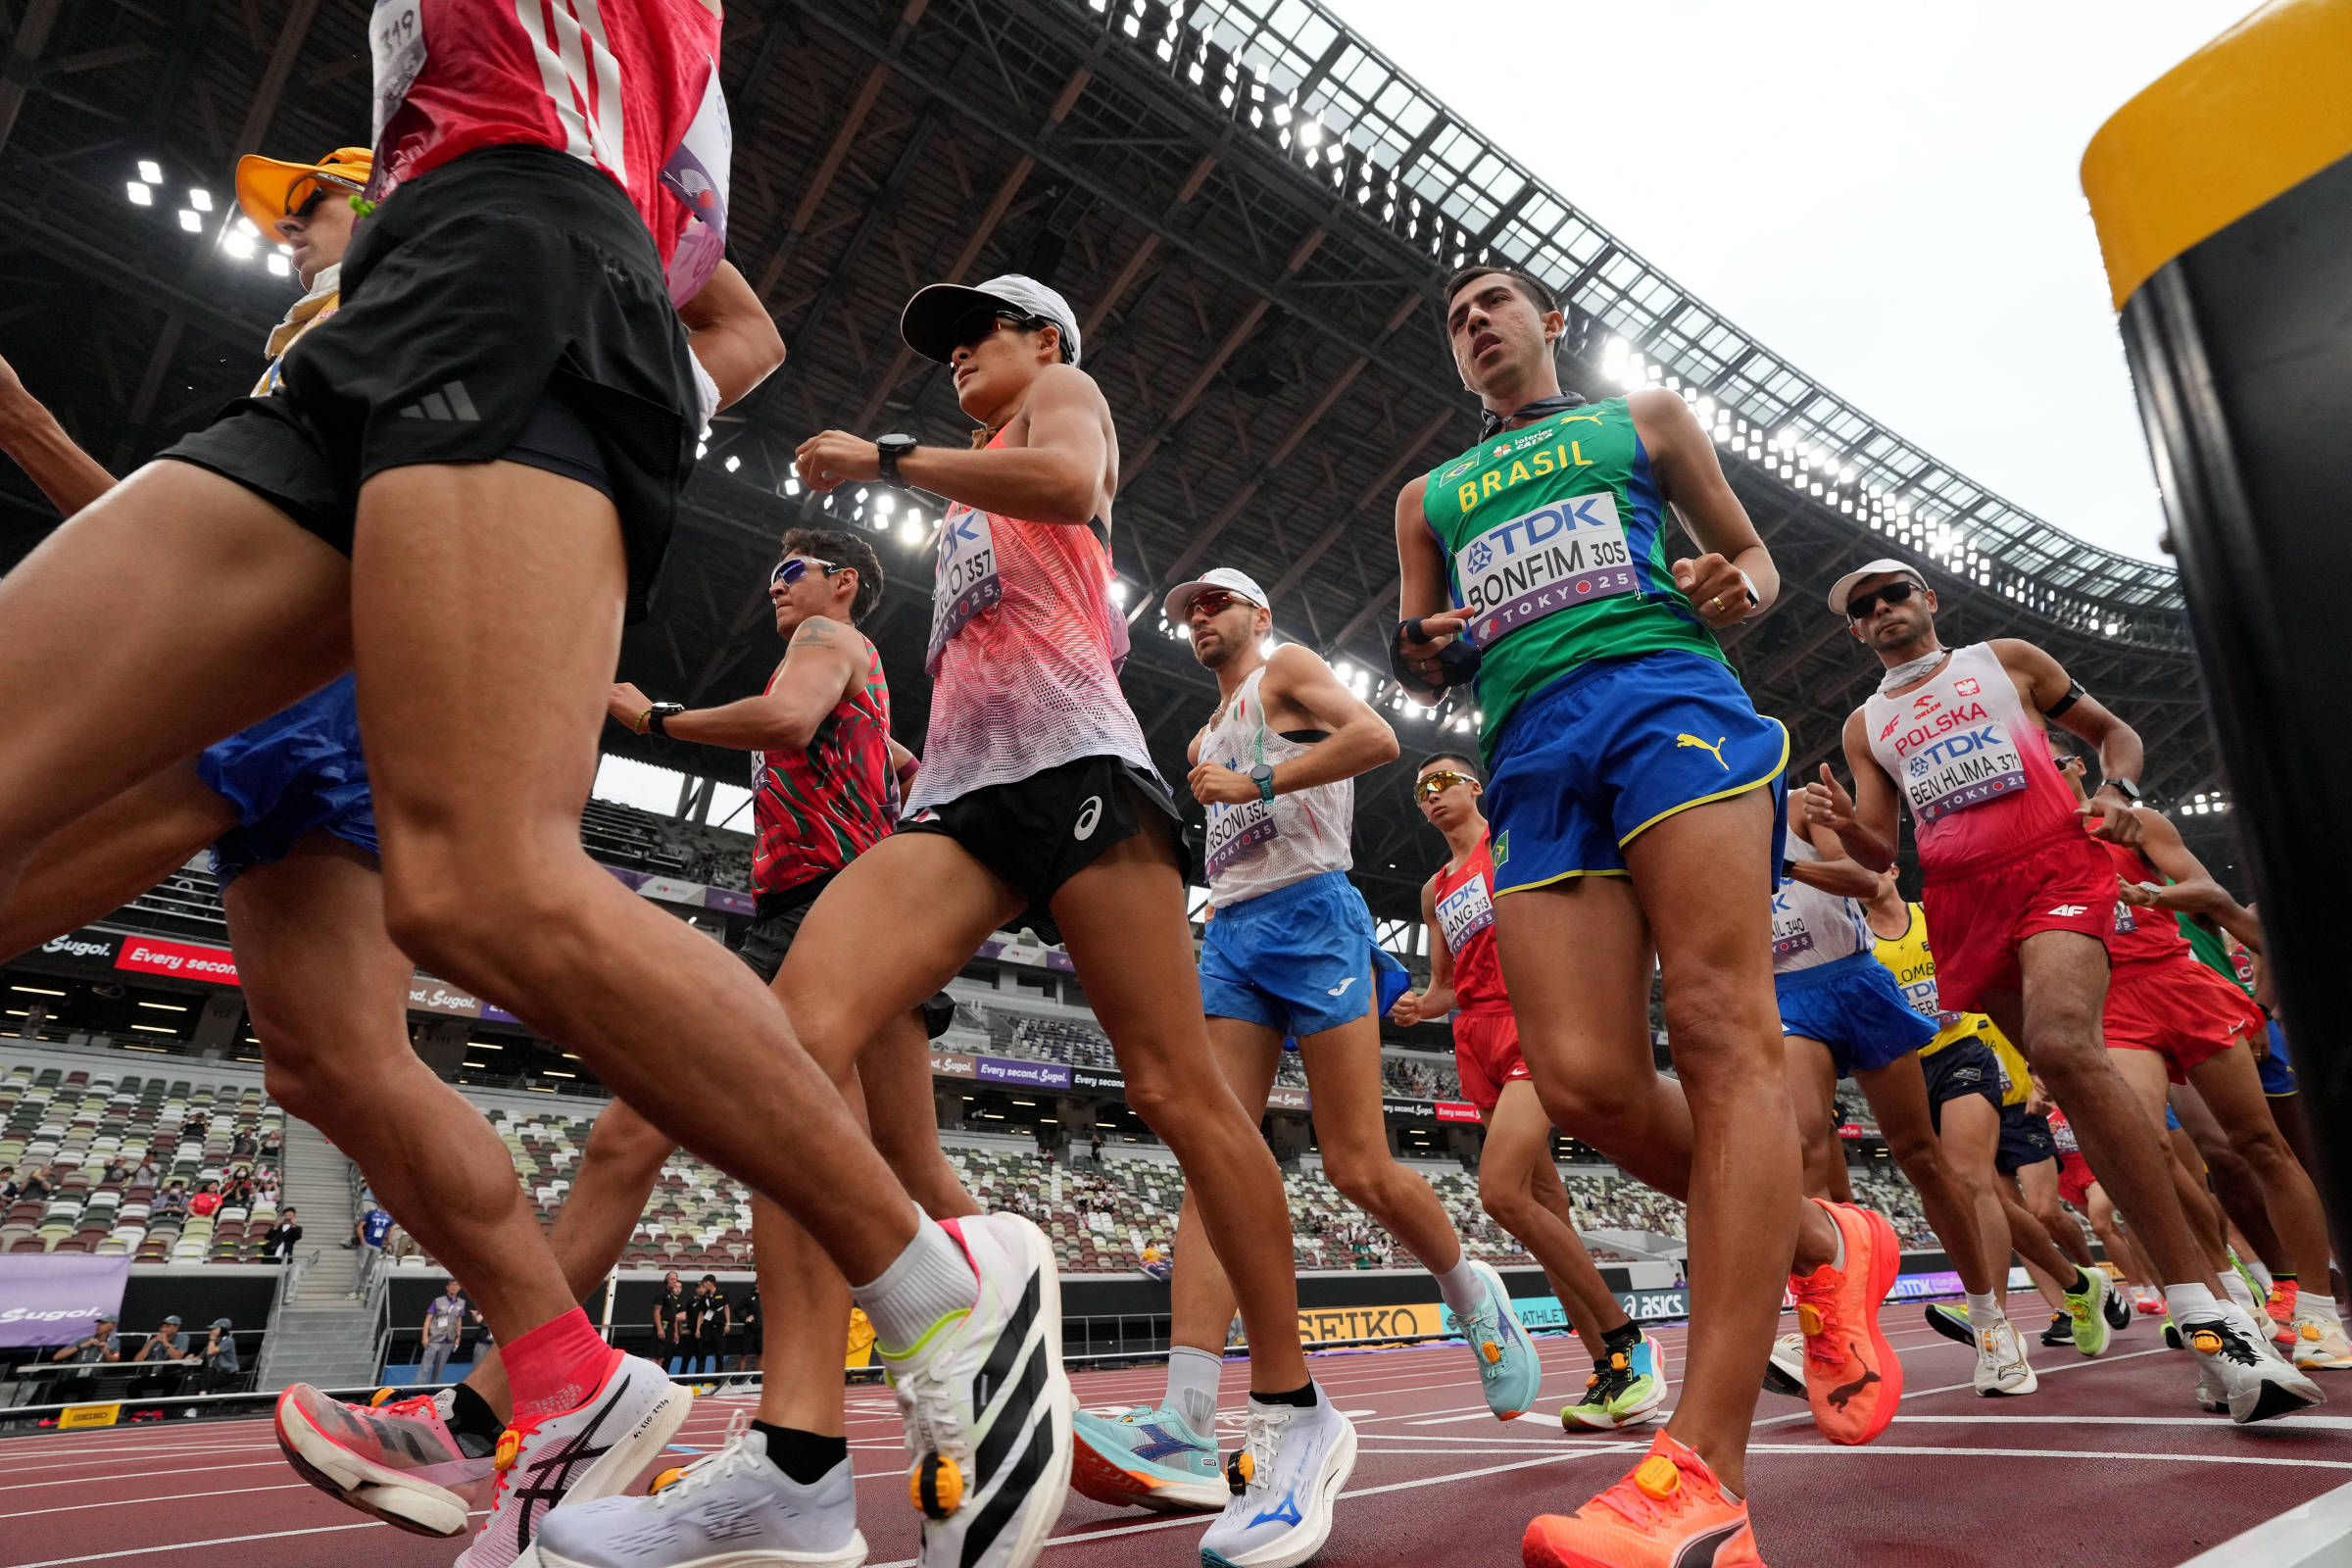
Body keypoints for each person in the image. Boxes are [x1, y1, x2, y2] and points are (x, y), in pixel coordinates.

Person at [0, 18, 1070, 1568]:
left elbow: (744, 334)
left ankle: (928, 1289)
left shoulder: (830, 624)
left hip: (523, 262)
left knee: (482, 887)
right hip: (424, 308)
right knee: (351, 1026)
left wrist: (604, 421)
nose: (292, 209)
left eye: (309, 193)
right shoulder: (378, 234)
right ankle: (578, 1382)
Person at [755, 270, 1340, 1568]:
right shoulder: (967, 492)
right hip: (960, 801)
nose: (959, 354)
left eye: (983, 334)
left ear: (1046, 341)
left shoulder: (1059, 404)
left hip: (1080, 774)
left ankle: (1296, 1413)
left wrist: (893, 457)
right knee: (788, 1045)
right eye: (945, 346)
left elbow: (1072, 488)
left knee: (1182, 1095)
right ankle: (797, 1453)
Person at [1394, 264, 1883, 1567]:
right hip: (1532, 753)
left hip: (1668, 701)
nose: (1475, 323)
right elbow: (1415, 644)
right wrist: (1427, 649)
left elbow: (1756, 564)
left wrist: (1739, 586)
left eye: (1496, 302)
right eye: (1456, 318)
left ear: (1551, 325)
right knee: (1594, 1084)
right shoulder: (1425, 497)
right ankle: (1826, 1242)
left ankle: (1705, 1473)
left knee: (1725, 1029)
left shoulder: (1643, 422)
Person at [528, 525, 1000, 1568]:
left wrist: (656, 714)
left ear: (842, 582)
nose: (776, 586)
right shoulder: (853, 670)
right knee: (908, 1165)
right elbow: (910, 765)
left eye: (793, 570)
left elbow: (788, 719)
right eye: (775, 573)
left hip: (816, 910)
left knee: (645, 1131)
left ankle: (522, 1395)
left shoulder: (827, 639)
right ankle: (1007, 1358)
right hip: (848, 906)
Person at [1805, 557, 2320, 1422]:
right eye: (1864, 607)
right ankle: (2216, 1296)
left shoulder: (2006, 659)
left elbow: (2114, 736)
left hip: (2056, 869)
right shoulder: (1868, 726)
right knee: (2086, 1091)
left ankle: (2211, 1322)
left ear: (1928, 599)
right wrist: (1837, 827)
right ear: (1855, 631)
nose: (1884, 610)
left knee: (2060, 1044)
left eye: (1896, 593)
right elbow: (1881, 851)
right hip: (1966, 901)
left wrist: (2117, 791)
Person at [1072, 565, 1514, 1517]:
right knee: (1216, 1156)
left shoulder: (1288, 670)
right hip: (1232, 932)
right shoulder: (1197, 735)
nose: (1199, 618)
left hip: (1316, 914)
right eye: (1188, 607)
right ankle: (1186, 1417)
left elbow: (1377, 737)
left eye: (1216, 602)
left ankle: (1471, 1290)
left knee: (1357, 1164)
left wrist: (1260, 776)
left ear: (1257, 614)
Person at [1391, 752, 1669, 1431]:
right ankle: (1607, 1369)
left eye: (1441, 782)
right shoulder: (1435, 890)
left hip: (1533, 1017)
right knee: (1548, 1216)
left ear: (1474, 787)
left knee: (1501, 1191)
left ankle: (1631, 1344)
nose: (1430, 797)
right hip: (1474, 1034)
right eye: (1419, 791)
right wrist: (1418, 1007)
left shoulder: (1509, 839)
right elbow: (1447, 985)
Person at [2058, 761, 2349, 1367]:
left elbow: (2206, 890)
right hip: (2109, 1000)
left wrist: (2150, 894)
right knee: (2144, 1150)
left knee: (2257, 1144)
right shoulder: (2025, 849)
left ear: (2078, 766)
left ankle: (2319, 1312)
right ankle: (2225, 1299)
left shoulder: (2132, 822)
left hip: (2178, 980)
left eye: (2053, 759)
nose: (2040, 771)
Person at [1767, 812, 2034, 1395]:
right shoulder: (1698, 834)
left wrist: (1780, 863)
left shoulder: (1795, 806)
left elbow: (1863, 882)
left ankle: (1990, 1319)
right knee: (1807, 1144)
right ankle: (1825, 1324)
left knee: (1921, 1156)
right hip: (1785, 997)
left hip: (1856, 982)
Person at [420, 1280, 469, 1386]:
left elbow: (459, 1320)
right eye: (451, 1285)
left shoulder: (461, 1303)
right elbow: (428, 1318)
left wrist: (458, 1336)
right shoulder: (438, 1301)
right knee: (425, 1368)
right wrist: (425, 1336)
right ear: (447, 1287)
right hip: (435, 1338)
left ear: (460, 1288)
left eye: (456, 1285)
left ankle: (432, 1392)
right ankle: (415, 1393)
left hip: (449, 1339)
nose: (454, 1287)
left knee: (439, 1369)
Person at [50, 1313, 122, 1365]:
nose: (99, 1325)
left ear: (113, 1325)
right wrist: (83, 1345)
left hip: (94, 1378)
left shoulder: (115, 1342)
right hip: (74, 1377)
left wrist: (106, 1352)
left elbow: (114, 1362)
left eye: (104, 1323)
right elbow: (56, 1357)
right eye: (99, 1323)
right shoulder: (84, 1339)